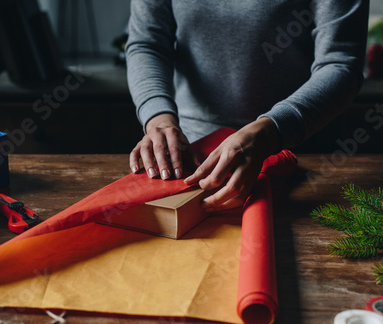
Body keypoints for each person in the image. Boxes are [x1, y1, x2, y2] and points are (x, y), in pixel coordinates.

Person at [126, 0, 369, 212]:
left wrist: (272, 130)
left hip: (306, 158)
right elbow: (148, 44)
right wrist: (157, 117)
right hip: (192, 155)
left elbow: (340, 62)